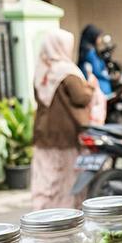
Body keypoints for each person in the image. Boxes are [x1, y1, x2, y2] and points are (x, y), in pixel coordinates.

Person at [31, 28, 99, 210]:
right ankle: (65, 212)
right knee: (67, 176)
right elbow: (81, 97)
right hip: (66, 133)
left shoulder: (42, 70)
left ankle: (43, 210)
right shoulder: (67, 72)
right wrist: (91, 86)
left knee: (46, 176)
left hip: (43, 132)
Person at [78, 25, 112, 96]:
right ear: (92, 37)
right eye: (98, 37)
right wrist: (109, 77)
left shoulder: (85, 49)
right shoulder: (90, 52)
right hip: (100, 88)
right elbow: (97, 70)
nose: (100, 39)